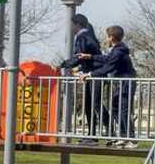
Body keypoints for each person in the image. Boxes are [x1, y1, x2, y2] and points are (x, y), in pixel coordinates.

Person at [79, 25, 137, 148]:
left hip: (126, 83)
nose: (106, 39)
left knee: (123, 109)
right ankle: (124, 136)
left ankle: (131, 139)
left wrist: (89, 74)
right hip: (121, 83)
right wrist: (90, 56)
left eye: (107, 37)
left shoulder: (119, 51)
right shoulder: (117, 49)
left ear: (111, 37)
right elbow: (107, 59)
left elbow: (108, 67)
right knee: (115, 107)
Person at [59, 14, 107, 142]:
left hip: (95, 74)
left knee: (94, 104)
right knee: (90, 104)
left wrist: (63, 65)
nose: (70, 28)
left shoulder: (83, 37)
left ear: (77, 25)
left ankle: (108, 131)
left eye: (72, 25)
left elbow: (79, 57)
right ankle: (92, 134)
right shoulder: (86, 36)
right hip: (91, 73)